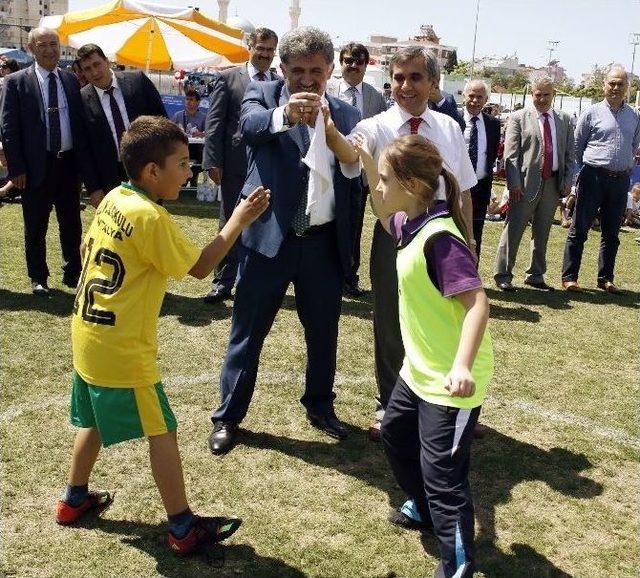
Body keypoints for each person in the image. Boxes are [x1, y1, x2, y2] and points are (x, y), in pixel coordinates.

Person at [56, 115, 270, 553]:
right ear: (152, 171)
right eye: (181, 163)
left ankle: (73, 500)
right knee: (163, 430)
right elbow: (201, 266)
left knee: (94, 418)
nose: (189, 172)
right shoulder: (149, 215)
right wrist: (239, 218)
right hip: (122, 346)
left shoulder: (115, 196)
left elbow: (84, 250)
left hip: (88, 332)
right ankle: (182, 527)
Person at [208, 26, 361, 455]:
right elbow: (250, 127)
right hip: (267, 240)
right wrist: (288, 115)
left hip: (322, 245)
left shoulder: (346, 117)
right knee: (247, 333)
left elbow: (355, 168)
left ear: (330, 69)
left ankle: (320, 406)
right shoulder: (264, 96)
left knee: (323, 334)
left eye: (316, 70)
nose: (307, 80)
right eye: (298, 71)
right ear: (283, 68)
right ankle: (228, 417)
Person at [355, 132, 492, 578]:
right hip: (419, 371)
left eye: (383, 179)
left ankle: (458, 564)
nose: (378, 187)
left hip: (450, 382)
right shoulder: (410, 222)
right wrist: (362, 158)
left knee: (443, 477)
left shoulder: (441, 239)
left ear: (411, 185)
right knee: (394, 435)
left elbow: (477, 303)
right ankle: (427, 511)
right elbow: (381, 214)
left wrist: (461, 366)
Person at [336, 46, 477, 442]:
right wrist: (332, 134)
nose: (405, 86)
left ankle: (449, 402)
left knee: (446, 323)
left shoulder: (449, 128)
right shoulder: (376, 125)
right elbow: (350, 151)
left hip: (445, 239)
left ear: (433, 83)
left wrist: (470, 240)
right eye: (398, 77)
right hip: (393, 236)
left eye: (415, 78)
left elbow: (463, 190)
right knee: (391, 322)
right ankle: (390, 403)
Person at [0, 27, 101, 295]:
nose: (49, 49)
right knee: (35, 226)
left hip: (68, 165)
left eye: (54, 44)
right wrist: (17, 168)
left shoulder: (70, 80)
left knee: (71, 223)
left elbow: (79, 124)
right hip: (35, 167)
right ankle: (39, 277)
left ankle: (72, 272)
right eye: (43, 44)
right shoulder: (16, 82)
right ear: (31, 48)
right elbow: (9, 128)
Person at [202, 27, 279, 304]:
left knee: (263, 221)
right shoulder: (228, 78)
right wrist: (212, 161)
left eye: (270, 50)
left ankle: (256, 280)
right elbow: (214, 123)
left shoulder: (277, 83)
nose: (265, 55)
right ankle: (222, 282)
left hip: (265, 164)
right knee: (229, 220)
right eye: (261, 48)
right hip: (233, 164)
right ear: (250, 48)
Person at [562, 65, 640, 293]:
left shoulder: (634, 116)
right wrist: (589, 167)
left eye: (620, 84)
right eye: (612, 83)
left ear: (628, 88)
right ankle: (570, 277)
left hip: (620, 181)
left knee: (612, 233)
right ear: (604, 85)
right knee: (579, 229)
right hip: (592, 177)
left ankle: (605, 278)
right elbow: (578, 145)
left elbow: (633, 145)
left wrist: (624, 165)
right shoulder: (591, 112)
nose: (616, 88)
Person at [494, 75, 575, 292]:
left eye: (546, 95)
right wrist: (514, 184)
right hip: (523, 184)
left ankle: (536, 274)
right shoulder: (518, 117)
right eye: (537, 95)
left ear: (554, 94)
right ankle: (503, 274)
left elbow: (570, 155)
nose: (541, 99)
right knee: (513, 230)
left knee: (542, 231)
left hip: (553, 183)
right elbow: (510, 156)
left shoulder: (565, 120)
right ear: (532, 94)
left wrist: (568, 182)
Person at [76, 43, 167, 208]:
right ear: (82, 72)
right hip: (110, 178)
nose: (95, 72)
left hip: (147, 170)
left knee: (150, 223)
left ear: (107, 61)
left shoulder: (138, 82)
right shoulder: (80, 100)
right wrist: (94, 188)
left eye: (97, 64)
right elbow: (83, 149)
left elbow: (162, 122)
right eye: (87, 69)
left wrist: (163, 165)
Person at [336, 41, 387, 296]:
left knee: (354, 226)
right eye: (348, 60)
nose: (352, 65)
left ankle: (349, 276)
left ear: (366, 66)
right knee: (330, 223)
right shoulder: (329, 91)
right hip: (332, 170)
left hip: (362, 173)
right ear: (340, 63)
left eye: (358, 61)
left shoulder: (375, 98)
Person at [460, 79, 501, 259]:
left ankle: (471, 278)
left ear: (486, 100)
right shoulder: (454, 120)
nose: (475, 100)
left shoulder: (493, 124)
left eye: (480, 97)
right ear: (464, 97)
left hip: (480, 188)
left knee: (475, 235)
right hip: (456, 188)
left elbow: (491, 154)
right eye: (471, 96)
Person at [172, 88, 206, 188]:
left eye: (191, 99)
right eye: (187, 99)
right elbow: (169, 130)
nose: (188, 102)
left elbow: (209, 132)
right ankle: (183, 181)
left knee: (202, 160)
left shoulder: (203, 117)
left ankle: (192, 179)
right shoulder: (178, 115)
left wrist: (201, 134)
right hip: (181, 147)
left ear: (198, 102)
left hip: (197, 149)